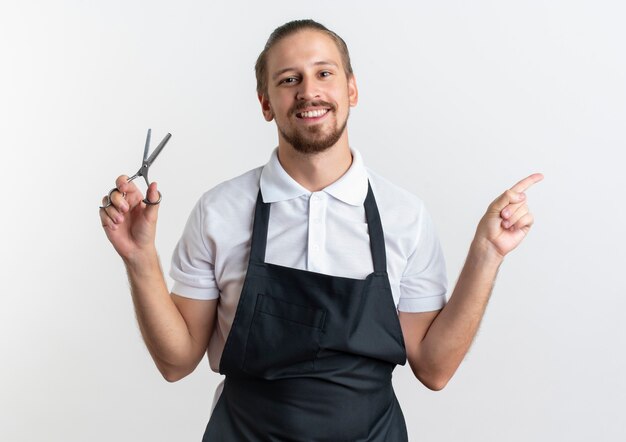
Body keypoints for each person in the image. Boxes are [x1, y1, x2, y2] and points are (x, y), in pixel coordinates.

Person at [99, 19, 542, 441]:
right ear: (266, 103)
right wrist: (140, 259)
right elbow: (176, 361)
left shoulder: (404, 215)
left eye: (324, 73)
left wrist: (488, 252)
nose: (309, 91)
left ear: (351, 89)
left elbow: (434, 368)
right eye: (289, 79)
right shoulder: (221, 211)